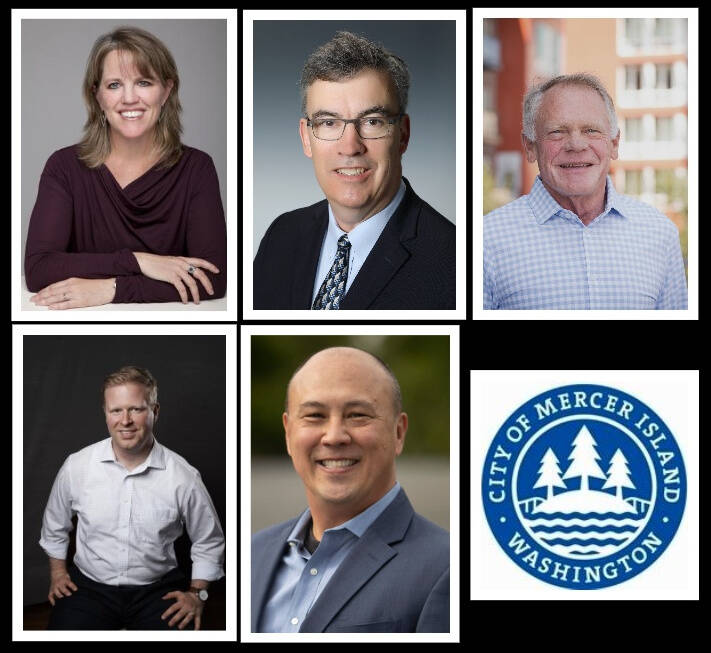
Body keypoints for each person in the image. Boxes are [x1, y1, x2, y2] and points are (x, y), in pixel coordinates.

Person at [25, 26, 226, 308]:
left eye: (144, 82)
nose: (129, 98)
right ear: (97, 95)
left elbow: (212, 280)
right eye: (114, 85)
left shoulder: (197, 168)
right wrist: (138, 261)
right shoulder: (64, 167)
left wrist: (113, 289)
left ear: (166, 90)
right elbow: (38, 270)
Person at [251, 347, 449, 633]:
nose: (334, 436)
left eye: (357, 415)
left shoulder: (448, 568)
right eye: (315, 415)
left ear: (398, 432)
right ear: (288, 433)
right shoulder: (252, 553)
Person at [253, 31, 455, 310]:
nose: (350, 147)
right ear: (305, 138)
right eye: (328, 123)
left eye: (372, 121)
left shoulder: (453, 261)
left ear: (403, 135)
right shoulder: (282, 236)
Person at [39, 366, 225, 630]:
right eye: (116, 410)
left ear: (154, 412)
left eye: (136, 409)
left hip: (157, 592)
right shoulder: (76, 466)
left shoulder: (184, 477)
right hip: (89, 589)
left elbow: (209, 542)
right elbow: (54, 526)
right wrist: (58, 574)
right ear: (106, 413)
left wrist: (198, 595)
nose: (125, 420)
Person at [484, 73, 687, 310]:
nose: (576, 145)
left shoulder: (661, 234)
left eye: (591, 130)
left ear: (614, 144)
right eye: (557, 131)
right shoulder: (484, 242)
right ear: (530, 146)